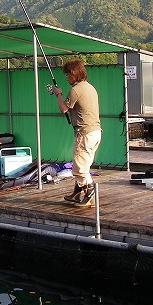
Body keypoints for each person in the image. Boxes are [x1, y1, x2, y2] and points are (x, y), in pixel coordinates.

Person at [52, 59, 101, 205]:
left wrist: (58, 94)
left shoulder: (76, 90)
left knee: (80, 167)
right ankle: (77, 192)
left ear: (74, 74)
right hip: (95, 132)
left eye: (68, 74)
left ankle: (90, 189)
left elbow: (63, 109)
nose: (66, 77)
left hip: (84, 134)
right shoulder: (90, 87)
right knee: (82, 165)